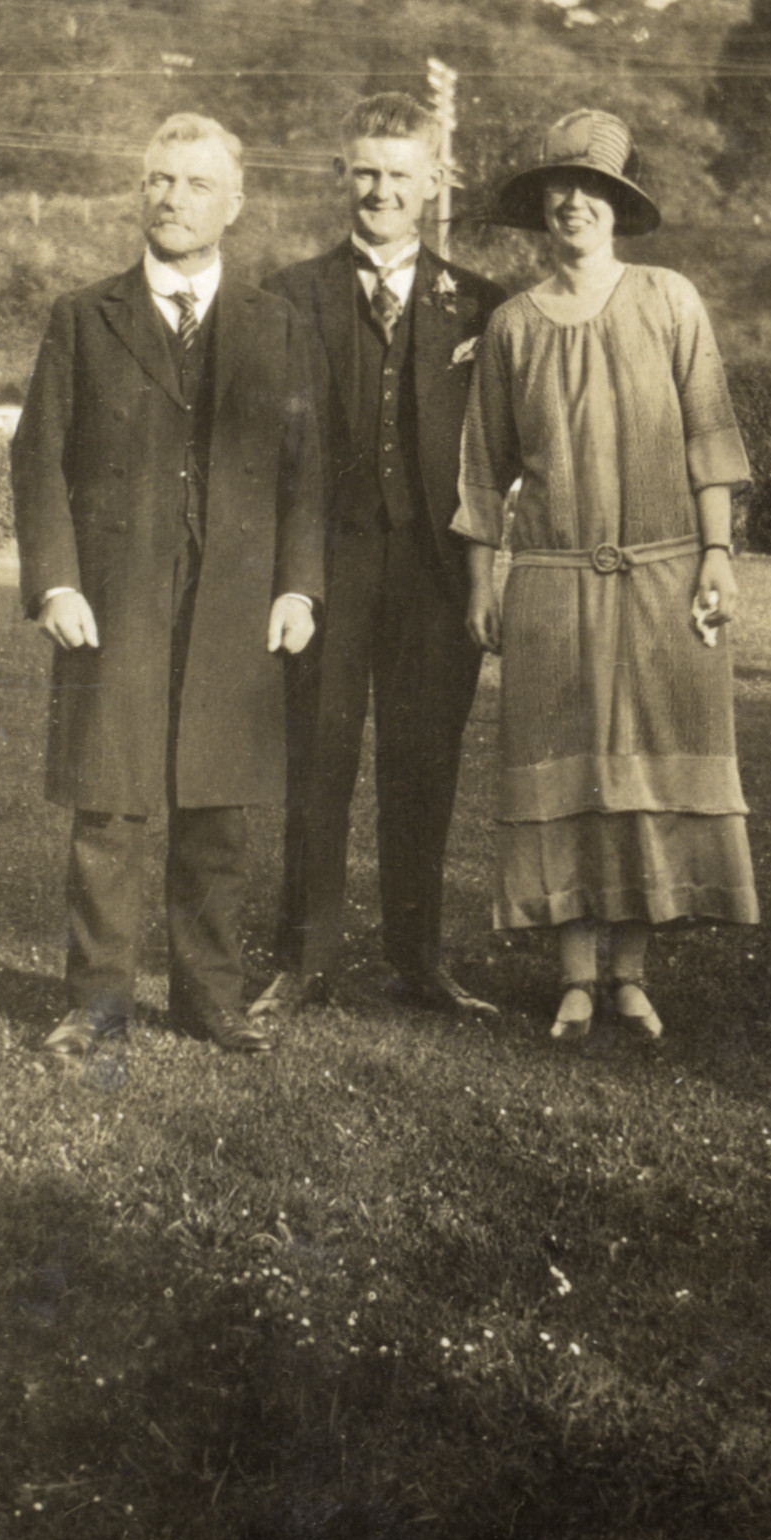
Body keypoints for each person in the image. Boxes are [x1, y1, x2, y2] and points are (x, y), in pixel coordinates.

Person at [10, 113, 323, 1058]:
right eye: (158, 179)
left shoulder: (277, 325)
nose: (172, 199)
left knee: (217, 805)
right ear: (138, 190)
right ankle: (98, 1003)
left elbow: (306, 474)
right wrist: (56, 584)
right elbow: (37, 459)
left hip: (235, 595)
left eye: (195, 184)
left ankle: (209, 1000)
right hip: (113, 596)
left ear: (234, 203)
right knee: (107, 802)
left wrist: (297, 589)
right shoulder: (84, 316)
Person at [454, 109, 759, 1040]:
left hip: (663, 577)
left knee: (645, 773)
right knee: (568, 775)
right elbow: (481, 471)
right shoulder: (510, 326)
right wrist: (482, 582)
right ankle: (575, 979)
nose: (575, 203)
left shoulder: (669, 300)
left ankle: (630, 974)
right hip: (550, 585)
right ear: (540, 204)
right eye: (561, 186)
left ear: (619, 205)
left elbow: (709, 438)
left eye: (594, 189)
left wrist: (716, 555)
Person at [251, 92, 504, 1022]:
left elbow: (499, 450)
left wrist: (483, 571)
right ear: (339, 175)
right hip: (325, 567)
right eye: (364, 172)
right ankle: (302, 960)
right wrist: (287, 576)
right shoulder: (287, 295)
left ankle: (417, 958)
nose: (381, 191)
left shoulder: (479, 303)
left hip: (435, 573)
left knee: (423, 763)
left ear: (434, 180)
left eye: (400, 174)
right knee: (316, 760)